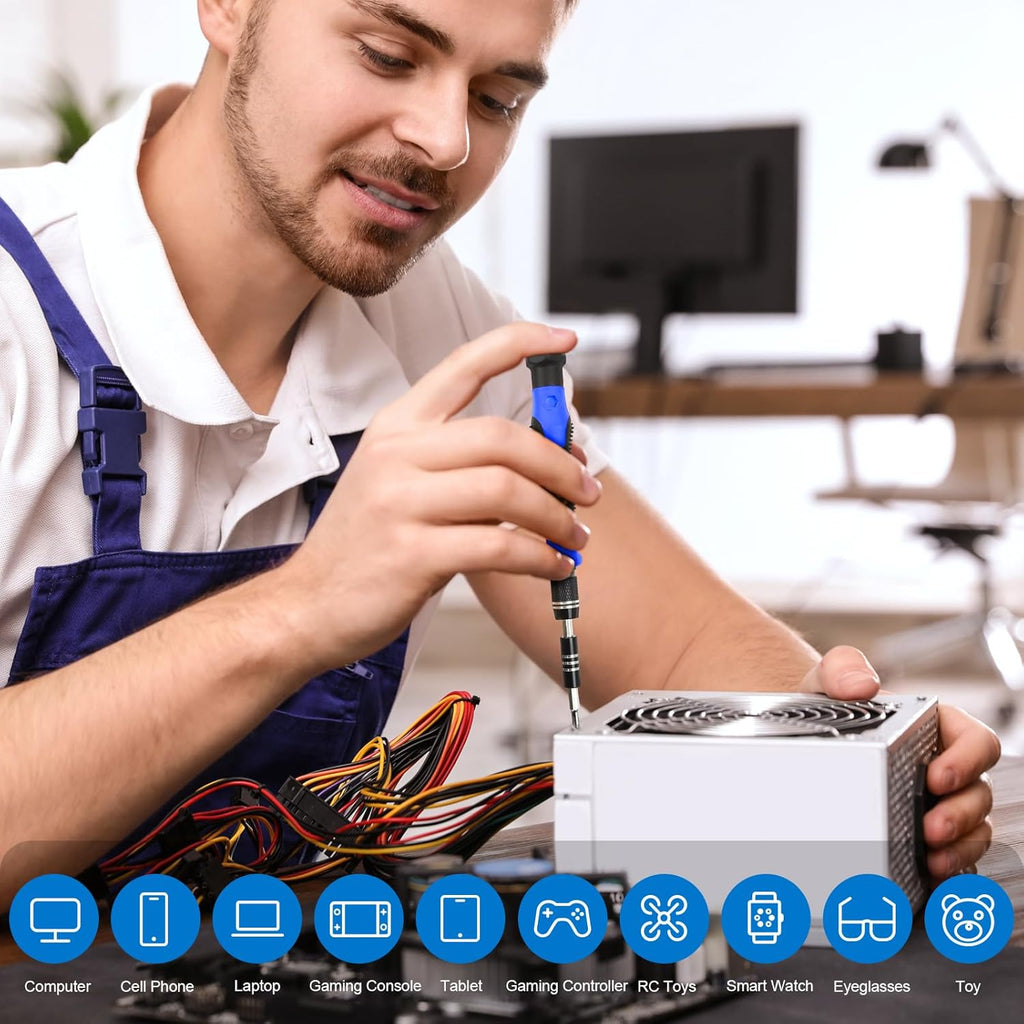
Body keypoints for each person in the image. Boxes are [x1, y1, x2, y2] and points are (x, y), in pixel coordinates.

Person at [0, 0, 998, 908]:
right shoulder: (14, 316)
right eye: (387, 54)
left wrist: (861, 755)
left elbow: (685, 650)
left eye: (498, 98)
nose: (445, 140)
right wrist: (302, 608)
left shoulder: (433, 326)